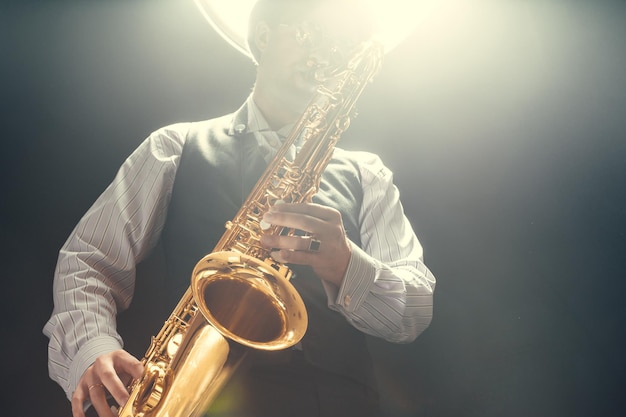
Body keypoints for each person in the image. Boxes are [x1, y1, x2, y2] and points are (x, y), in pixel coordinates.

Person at [43, 1, 436, 416]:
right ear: (264, 35)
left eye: (341, 43)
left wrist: (344, 264)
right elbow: (88, 261)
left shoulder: (368, 174)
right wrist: (93, 347)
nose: (329, 54)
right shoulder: (174, 147)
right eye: (312, 33)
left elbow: (413, 311)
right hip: (196, 399)